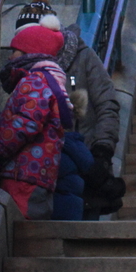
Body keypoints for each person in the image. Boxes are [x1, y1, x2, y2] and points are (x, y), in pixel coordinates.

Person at [14, 0, 121, 204]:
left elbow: (107, 104)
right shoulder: (20, 70)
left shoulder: (83, 57)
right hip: (40, 170)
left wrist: (102, 150)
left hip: (86, 165)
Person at [0, 20, 73, 221]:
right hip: (38, 171)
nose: (11, 56)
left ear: (28, 53)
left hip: (23, 172)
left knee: (21, 224)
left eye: (15, 50)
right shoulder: (49, 80)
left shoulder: (35, 81)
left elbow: (27, 122)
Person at [53, 86, 96, 221]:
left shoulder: (51, 144)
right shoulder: (75, 144)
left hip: (52, 205)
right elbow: (88, 163)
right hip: (71, 208)